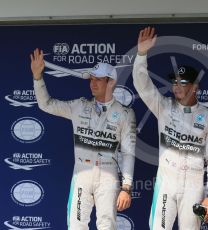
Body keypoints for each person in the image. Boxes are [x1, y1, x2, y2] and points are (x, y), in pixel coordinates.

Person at [30, 48, 136, 230]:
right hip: (81, 173)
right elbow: (45, 104)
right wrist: (38, 77)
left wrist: (126, 187)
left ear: (111, 82)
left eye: (98, 79)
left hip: (108, 175)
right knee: (76, 226)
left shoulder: (125, 114)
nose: (93, 84)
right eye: (91, 79)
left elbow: (128, 152)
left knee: (107, 226)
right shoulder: (79, 106)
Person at [132, 27, 208, 230]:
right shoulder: (163, 107)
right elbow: (142, 85)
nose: (177, 86)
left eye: (183, 82)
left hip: (194, 185)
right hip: (166, 182)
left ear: (195, 87)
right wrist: (141, 55)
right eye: (174, 82)